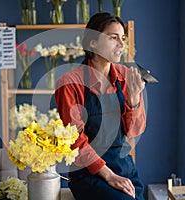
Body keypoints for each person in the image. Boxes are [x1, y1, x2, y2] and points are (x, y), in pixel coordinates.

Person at [55, 12, 146, 200]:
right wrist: (109, 175)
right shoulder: (70, 83)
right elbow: (75, 141)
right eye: (113, 38)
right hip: (89, 173)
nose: (121, 44)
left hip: (124, 168)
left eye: (122, 38)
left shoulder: (125, 76)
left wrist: (135, 98)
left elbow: (132, 132)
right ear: (92, 43)